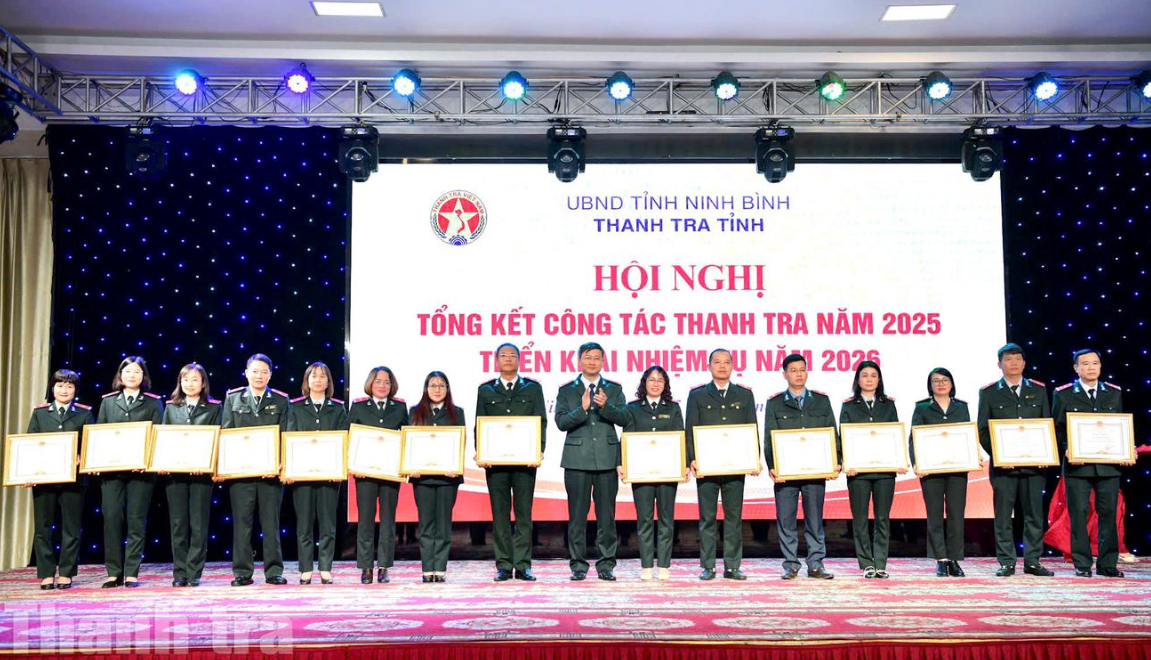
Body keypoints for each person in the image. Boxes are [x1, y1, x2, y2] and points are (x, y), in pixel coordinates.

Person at [1051, 348, 1130, 578]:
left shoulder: (1113, 393)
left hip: (1108, 465)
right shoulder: (1063, 394)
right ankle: (1082, 564)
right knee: (1078, 514)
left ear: (1100, 366)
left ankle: (1107, 564)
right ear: (1076, 368)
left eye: (1095, 363)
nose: (1091, 367)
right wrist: (1066, 448)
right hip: (1078, 465)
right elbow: (1057, 429)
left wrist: (1124, 449)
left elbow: (1119, 427)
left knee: (1109, 514)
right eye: (1085, 364)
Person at [977, 342, 1053, 577]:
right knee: (1003, 516)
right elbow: (982, 430)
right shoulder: (989, 392)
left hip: (1034, 466)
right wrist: (999, 456)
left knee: (1034, 515)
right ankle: (1006, 562)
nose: (1014, 363)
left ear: (1024, 363)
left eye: (1018, 359)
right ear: (999, 364)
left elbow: (1046, 424)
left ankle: (1033, 561)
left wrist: (1046, 452)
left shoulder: (1038, 390)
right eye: (1008, 359)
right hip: (1004, 468)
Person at [555, 341, 629, 581]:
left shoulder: (614, 389)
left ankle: (606, 564)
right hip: (576, 460)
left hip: (607, 459)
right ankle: (578, 565)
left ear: (603, 361)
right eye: (587, 357)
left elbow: (625, 418)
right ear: (579, 361)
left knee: (607, 516)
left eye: (597, 358)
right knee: (577, 517)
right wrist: (583, 408)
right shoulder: (567, 390)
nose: (592, 362)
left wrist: (606, 406)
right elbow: (561, 423)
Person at [474, 343, 547, 582]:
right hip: (495, 464)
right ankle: (504, 565)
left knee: (524, 514)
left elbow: (541, 421)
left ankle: (523, 565)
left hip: (525, 463)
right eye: (503, 355)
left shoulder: (533, 388)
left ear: (519, 360)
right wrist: (481, 452)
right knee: (500, 515)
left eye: (512, 355)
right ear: (496, 360)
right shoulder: (486, 390)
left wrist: (538, 451)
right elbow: (480, 423)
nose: (508, 359)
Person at [685, 349, 757, 581]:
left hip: (735, 466)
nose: (722, 366)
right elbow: (690, 429)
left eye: (727, 362)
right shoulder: (697, 395)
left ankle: (732, 566)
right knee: (707, 518)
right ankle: (708, 566)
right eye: (717, 362)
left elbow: (752, 428)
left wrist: (753, 458)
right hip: (707, 466)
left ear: (733, 366)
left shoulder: (744, 395)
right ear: (709, 366)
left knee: (733, 518)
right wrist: (691, 458)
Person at [765, 353, 838, 580]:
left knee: (815, 520)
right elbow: (769, 437)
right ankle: (790, 564)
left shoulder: (821, 401)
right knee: (786, 520)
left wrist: (835, 461)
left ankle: (816, 564)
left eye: (802, 369)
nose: (799, 374)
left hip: (815, 471)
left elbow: (831, 432)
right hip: (786, 473)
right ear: (784, 374)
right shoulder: (775, 402)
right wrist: (772, 466)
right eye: (793, 370)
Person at [221, 353, 291, 587]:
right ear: (246, 373)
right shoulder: (233, 398)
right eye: (255, 371)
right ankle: (242, 572)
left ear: (270, 375)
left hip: (271, 474)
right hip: (241, 474)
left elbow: (286, 434)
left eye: (264, 372)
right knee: (242, 524)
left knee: (271, 524)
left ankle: (274, 571)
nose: (259, 376)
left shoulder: (281, 400)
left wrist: (280, 463)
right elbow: (227, 434)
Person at [96, 356, 164, 588]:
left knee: (136, 520)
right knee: (112, 519)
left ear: (143, 376)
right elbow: (100, 436)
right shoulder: (108, 402)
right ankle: (113, 572)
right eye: (127, 371)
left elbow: (158, 436)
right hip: (112, 473)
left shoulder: (153, 403)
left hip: (141, 473)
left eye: (136, 371)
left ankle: (132, 572)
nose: (131, 375)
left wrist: (146, 461)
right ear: (120, 375)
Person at [24, 369, 93, 590]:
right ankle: (46, 573)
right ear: (52, 388)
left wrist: (83, 456)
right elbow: (29, 445)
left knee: (71, 528)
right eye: (60, 385)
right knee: (42, 527)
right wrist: (27, 473)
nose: (64, 390)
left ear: (75, 390)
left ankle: (66, 572)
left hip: (74, 480)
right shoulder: (40, 413)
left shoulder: (84, 414)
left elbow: (91, 445)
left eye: (69, 386)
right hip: (44, 479)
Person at [910, 367, 981, 577]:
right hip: (930, 469)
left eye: (944, 380)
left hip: (957, 467)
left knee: (956, 514)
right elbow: (914, 437)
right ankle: (940, 559)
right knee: (934, 514)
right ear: (930, 385)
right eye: (936, 381)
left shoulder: (961, 407)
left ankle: (954, 559)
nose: (941, 384)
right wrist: (916, 463)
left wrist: (974, 454)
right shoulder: (922, 407)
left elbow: (968, 435)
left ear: (951, 383)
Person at [285, 362, 348, 585]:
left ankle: (325, 567)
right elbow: (289, 438)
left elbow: (343, 440)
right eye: (313, 376)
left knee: (328, 523)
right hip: (302, 475)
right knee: (304, 523)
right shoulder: (295, 407)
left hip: (330, 475)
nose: (318, 380)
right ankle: (305, 568)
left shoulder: (338, 408)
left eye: (323, 376)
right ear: (307, 380)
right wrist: (289, 469)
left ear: (328, 381)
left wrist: (339, 468)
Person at [839, 360, 902, 579]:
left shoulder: (888, 405)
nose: (869, 379)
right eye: (864, 375)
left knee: (883, 518)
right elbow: (843, 438)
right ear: (858, 380)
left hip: (885, 471)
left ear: (879, 379)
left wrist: (899, 459)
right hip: (858, 472)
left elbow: (895, 435)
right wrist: (846, 462)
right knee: (860, 519)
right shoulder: (848, 406)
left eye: (873, 375)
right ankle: (866, 562)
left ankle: (881, 563)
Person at [161, 363, 221, 587]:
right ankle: (179, 573)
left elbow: (218, 439)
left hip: (201, 475)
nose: (190, 384)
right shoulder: (171, 407)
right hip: (175, 475)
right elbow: (164, 438)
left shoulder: (214, 408)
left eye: (195, 379)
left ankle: (194, 571)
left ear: (203, 383)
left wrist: (207, 464)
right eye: (186, 379)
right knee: (178, 524)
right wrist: (163, 462)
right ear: (180, 382)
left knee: (198, 524)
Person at [346, 366, 408, 584]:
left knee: (388, 520)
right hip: (365, 473)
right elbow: (349, 437)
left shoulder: (399, 407)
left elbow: (406, 439)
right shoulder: (359, 406)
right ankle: (366, 567)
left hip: (390, 473)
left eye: (387, 382)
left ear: (392, 385)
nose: (382, 385)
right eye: (378, 381)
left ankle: (384, 567)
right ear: (370, 383)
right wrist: (353, 463)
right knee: (365, 520)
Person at [624, 365, 684, 581]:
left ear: (665, 384)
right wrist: (623, 463)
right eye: (651, 379)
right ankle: (647, 565)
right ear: (644, 383)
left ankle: (664, 565)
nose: (655, 383)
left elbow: (680, 437)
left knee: (666, 519)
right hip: (641, 472)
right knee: (645, 520)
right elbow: (626, 437)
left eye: (660, 380)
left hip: (668, 471)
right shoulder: (633, 408)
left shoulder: (673, 408)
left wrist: (684, 464)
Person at [408, 371, 465, 583]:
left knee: (443, 524)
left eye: (442, 385)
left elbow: (461, 441)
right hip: (422, 477)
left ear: (447, 389)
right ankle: (427, 568)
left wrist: (455, 464)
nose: (437, 389)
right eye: (433, 385)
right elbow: (409, 443)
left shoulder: (457, 413)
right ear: (426, 388)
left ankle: (439, 568)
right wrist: (411, 466)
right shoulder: (414, 411)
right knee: (425, 524)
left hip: (448, 477)